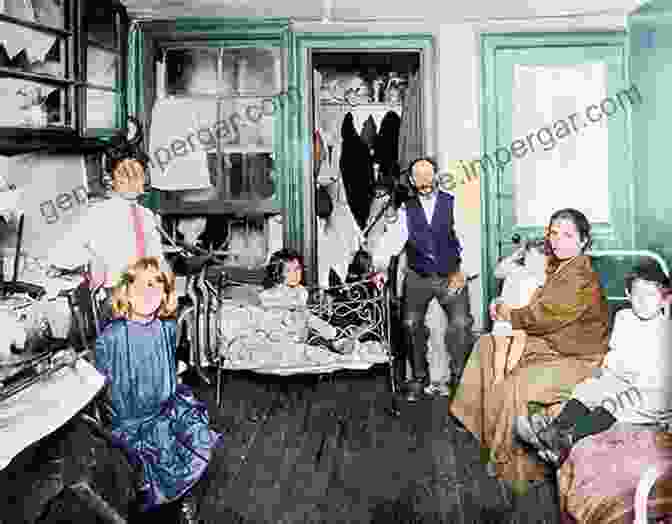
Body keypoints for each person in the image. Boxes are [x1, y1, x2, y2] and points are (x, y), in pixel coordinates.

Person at [449, 208, 610, 488]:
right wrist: (504, 307)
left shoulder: (579, 275)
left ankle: (505, 461)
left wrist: (507, 314)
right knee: (487, 344)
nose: (559, 241)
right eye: (554, 233)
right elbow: (525, 292)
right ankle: (478, 423)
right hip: (554, 341)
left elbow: (541, 316)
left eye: (568, 235)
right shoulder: (558, 264)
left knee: (518, 383)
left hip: (580, 357)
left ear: (584, 241)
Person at [93, 256, 221, 523]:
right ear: (126, 293)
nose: (148, 294)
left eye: (156, 286)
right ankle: (157, 498)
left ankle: (181, 493)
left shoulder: (167, 328)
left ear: (165, 294)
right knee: (150, 457)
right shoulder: (112, 337)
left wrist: (175, 373)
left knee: (195, 437)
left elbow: (165, 366)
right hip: (131, 419)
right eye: (140, 287)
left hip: (166, 407)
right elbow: (100, 381)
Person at [515, 259, 672, 467]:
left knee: (615, 402)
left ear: (663, 300)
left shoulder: (664, 329)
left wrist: (618, 377)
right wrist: (604, 373)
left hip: (651, 392)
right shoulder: (624, 317)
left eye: (651, 295)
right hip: (622, 379)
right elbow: (614, 356)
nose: (643, 301)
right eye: (638, 294)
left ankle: (567, 440)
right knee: (587, 388)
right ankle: (552, 431)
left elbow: (648, 375)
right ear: (628, 295)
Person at [371, 157, 475, 401]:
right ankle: (418, 378)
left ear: (437, 176)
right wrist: (380, 266)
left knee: (461, 324)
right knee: (409, 324)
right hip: (418, 277)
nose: (425, 181)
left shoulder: (454, 203)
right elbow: (390, 243)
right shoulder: (406, 209)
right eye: (418, 176)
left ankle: (459, 379)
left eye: (428, 175)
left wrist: (464, 271)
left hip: (450, 274)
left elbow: (469, 239)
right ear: (411, 181)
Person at [491, 239, 547, 384]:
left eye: (538, 260)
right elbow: (497, 272)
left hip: (521, 319)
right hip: (503, 316)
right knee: (500, 349)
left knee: (518, 343)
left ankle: (509, 372)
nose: (533, 263)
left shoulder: (540, 277)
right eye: (530, 258)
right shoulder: (515, 268)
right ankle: (498, 377)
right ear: (524, 257)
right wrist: (515, 255)